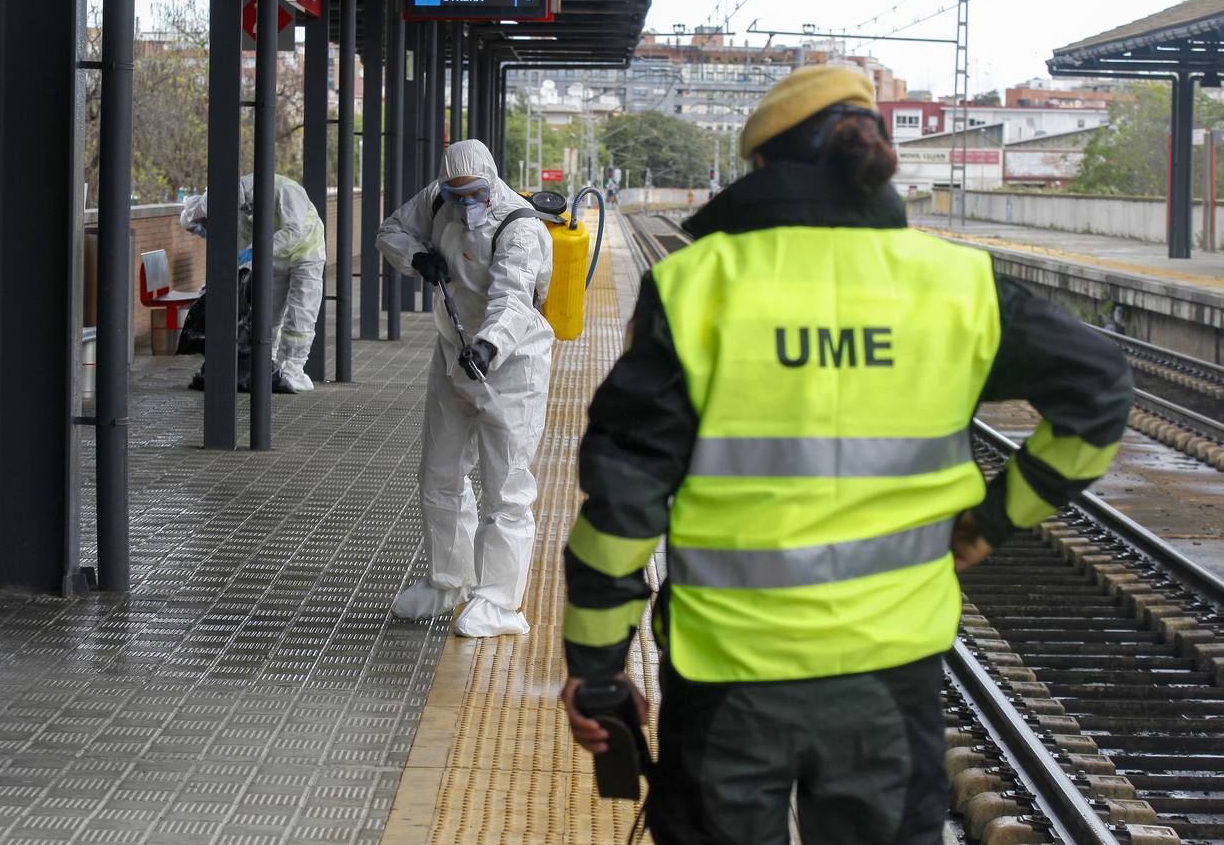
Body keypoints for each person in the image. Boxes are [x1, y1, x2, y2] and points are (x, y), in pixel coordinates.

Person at [558, 66, 1133, 844]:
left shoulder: (697, 286)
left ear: (762, 166)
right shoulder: (957, 284)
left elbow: (624, 499)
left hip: (729, 677)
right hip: (889, 676)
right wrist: (993, 521)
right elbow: (1097, 395)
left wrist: (596, 672)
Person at [375, 139, 554, 638]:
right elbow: (391, 230)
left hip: (512, 363)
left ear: (491, 184)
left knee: (506, 485)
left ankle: (499, 602)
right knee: (439, 472)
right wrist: (417, 256)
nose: (464, 204)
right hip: (455, 352)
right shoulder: (437, 198)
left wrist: (490, 346)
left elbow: (513, 299)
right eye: (456, 195)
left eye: (474, 194)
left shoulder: (520, 228)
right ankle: (447, 581)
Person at [181, 173, 326, 393]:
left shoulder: (282, 190)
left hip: (307, 255)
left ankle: (293, 369)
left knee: (301, 313)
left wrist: (253, 252)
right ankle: (268, 365)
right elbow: (242, 236)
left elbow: (295, 232)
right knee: (269, 314)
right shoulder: (246, 203)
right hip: (276, 260)